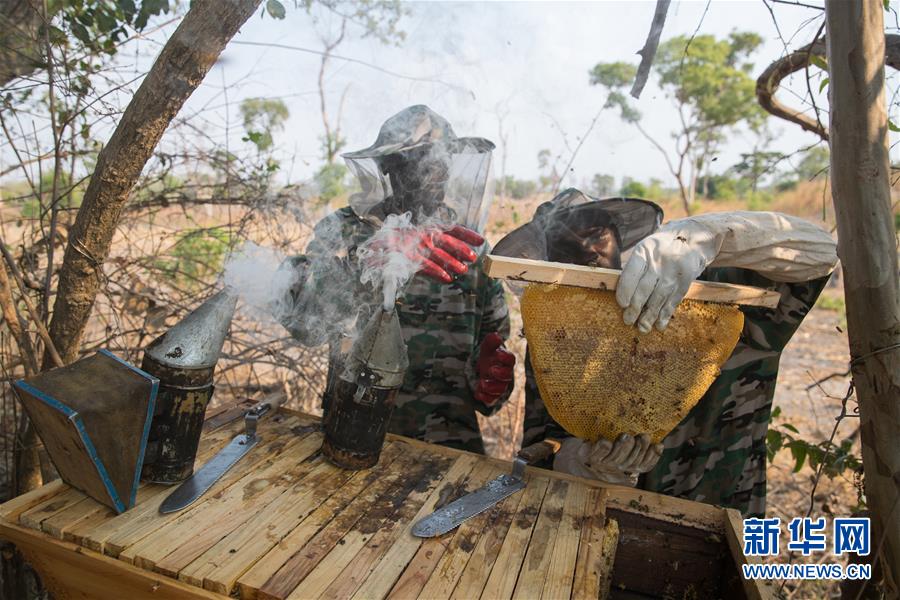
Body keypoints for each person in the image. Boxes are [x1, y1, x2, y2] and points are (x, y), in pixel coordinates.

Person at [495, 188, 838, 516]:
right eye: (565, 243)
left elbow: (822, 252)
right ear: (550, 259)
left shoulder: (706, 295)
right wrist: (580, 461)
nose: (586, 249)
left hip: (724, 512)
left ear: (618, 238)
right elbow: (543, 449)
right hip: (611, 522)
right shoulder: (554, 338)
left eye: (596, 234)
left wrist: (708, 236)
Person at [281, 105, 515, 454]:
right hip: (356, 436)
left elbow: (493, 356)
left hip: (451, 449)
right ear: (387, 165)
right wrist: (373, 260)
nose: (434, 169)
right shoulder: (345, 230)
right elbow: (303, 319)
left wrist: (491, 383)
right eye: (417, 158)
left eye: (441, 158)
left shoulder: (468, 247)